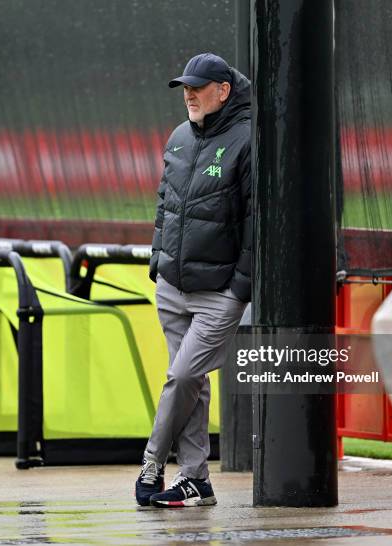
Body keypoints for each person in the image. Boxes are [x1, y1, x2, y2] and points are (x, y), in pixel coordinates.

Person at [135, 52, 251, 508]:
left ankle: (150, 461)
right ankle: (196, 480)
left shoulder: (247, 139)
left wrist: (239, 287)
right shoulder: (179, 136)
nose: (189, 94)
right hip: (172, 287)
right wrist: (156, 259)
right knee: (192, 385)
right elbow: (165, 205)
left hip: (218, 292)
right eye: (185, 86)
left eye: (198, 87)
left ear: (222, 91)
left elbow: (255, 220)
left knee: (182, 376)